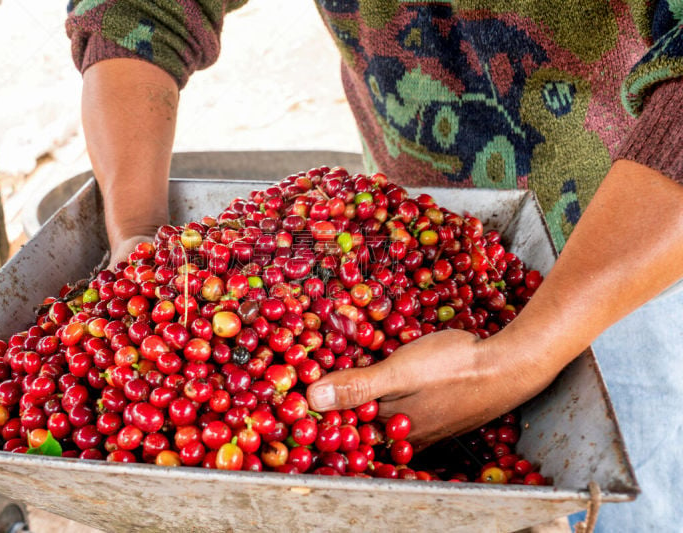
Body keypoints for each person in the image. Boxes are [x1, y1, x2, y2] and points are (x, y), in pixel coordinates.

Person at [65, 1, 683, 530]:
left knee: (628, 487)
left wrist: (523, 353)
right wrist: (139, 238)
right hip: (410, 231)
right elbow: (136, 12)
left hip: (642, 248)